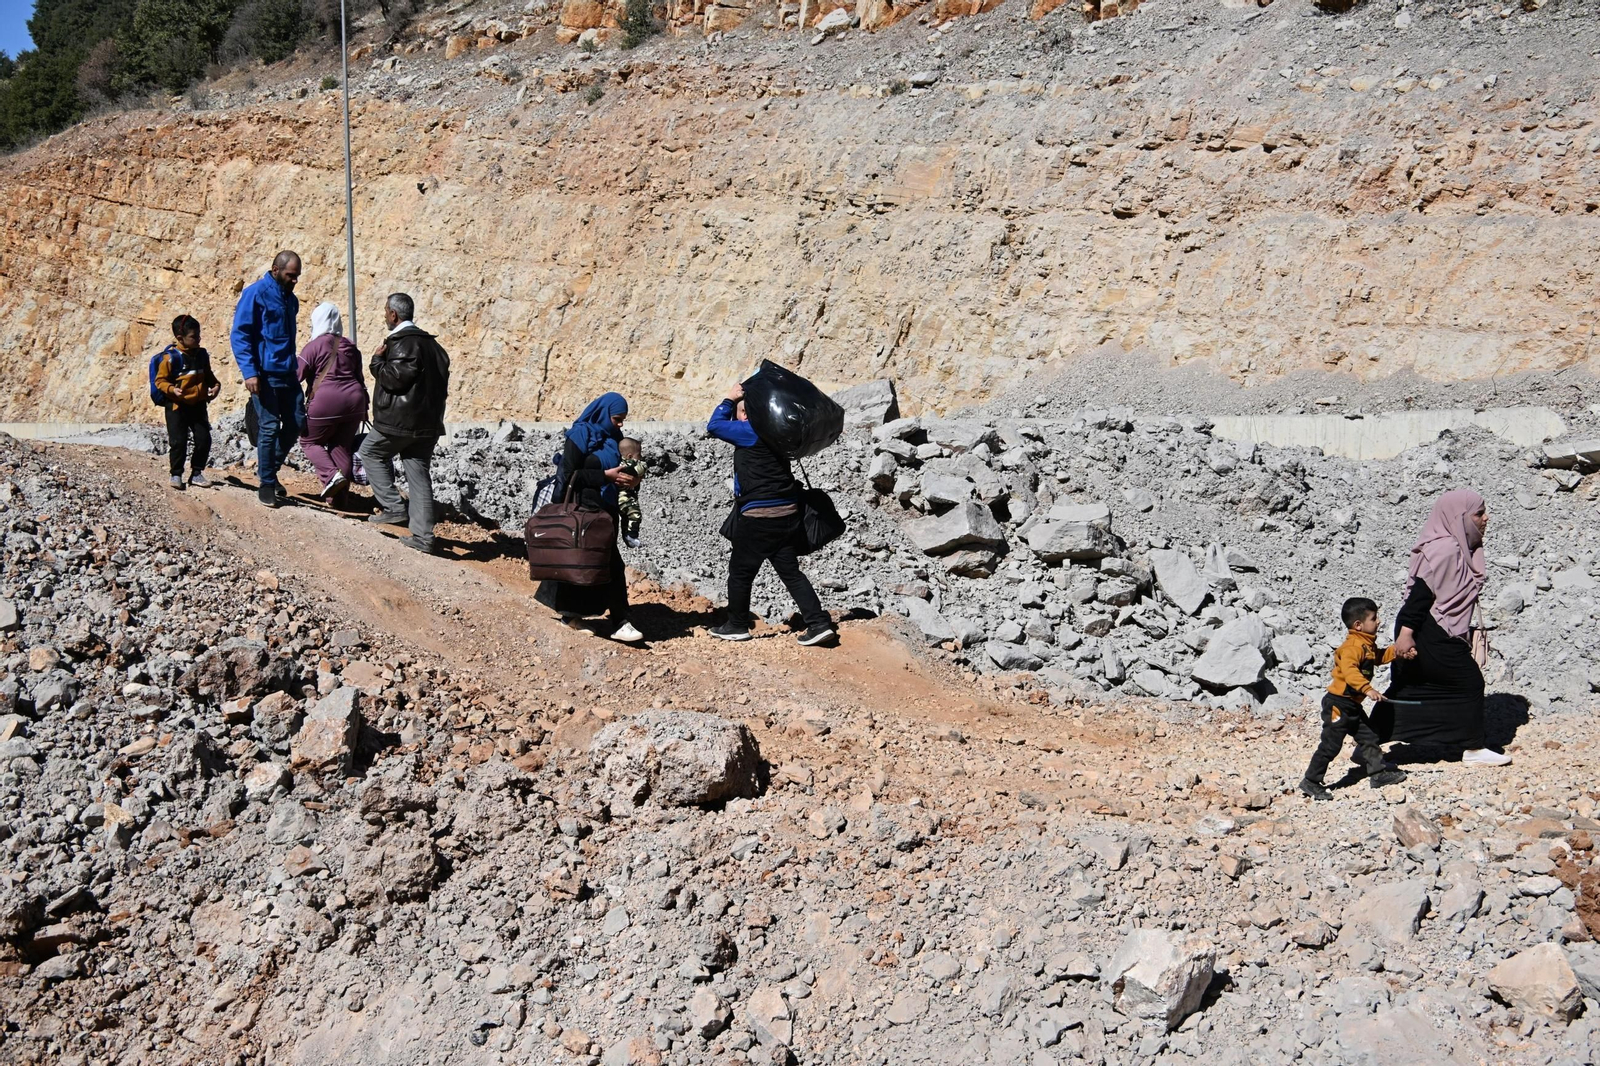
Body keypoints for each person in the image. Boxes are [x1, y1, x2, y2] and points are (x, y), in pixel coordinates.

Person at [1371, 488, 1510, 766]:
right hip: (1427, 627)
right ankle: (1473, 748)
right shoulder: (1445, 549)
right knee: (1469, 681)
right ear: (1459, 517)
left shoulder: (1461, 547)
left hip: (1432, 625)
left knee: (1409, 686)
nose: (1486, 518)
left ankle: (1368, 742)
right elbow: (1419, 596)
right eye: (1479, 513)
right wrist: (1406, 635)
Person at [706, 383, 836, 647]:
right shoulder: (779, 432)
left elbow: (715, 425)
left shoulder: (750, 429)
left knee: (741, 573)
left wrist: (730, 398)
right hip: (788, 515)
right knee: (791, 573)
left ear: (744, 415)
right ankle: (819, 624)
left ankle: (737, 625)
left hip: (760, 518)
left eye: (739, 413)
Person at [542, 393, 643, 643]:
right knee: (585, 561)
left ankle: (611, 618)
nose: (620, 425)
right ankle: (613, 619)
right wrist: (604, 476)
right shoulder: (580, 434)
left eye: (623, 420)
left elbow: (625, 470)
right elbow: (570, 474)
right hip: (581, 509)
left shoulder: (615, 439)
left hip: (605, 510)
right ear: (603, 412)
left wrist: (632, 479)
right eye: (617, 419)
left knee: (600, 562)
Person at [360, 293, 450, 556]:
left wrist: (377, 362)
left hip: (398, 421)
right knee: (418, 473)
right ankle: (423, 536)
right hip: (428, 424)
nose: (384, 316)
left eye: (386, 311)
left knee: (370, 452)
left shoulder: (402, 343)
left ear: (393, 315)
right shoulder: (434, 346)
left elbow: (395, 379)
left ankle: (393, 507)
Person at [1298, 597, 1409, 800]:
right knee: (1330, 745)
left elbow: (1379, 657)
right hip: (1338, 705)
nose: (1379, 622)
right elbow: (1350, 672)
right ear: (1359, 624)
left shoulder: (1366, 645)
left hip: (1352, 706)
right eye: (1374, 618)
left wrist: (1399, 651)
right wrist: (1368, 689)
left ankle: (1378, 774)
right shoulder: (1352, 647)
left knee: (1369, 738)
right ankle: (1311, 781)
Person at [231, 250, 303, 508]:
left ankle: (267, 469)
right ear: (275, 269)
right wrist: (249, 372)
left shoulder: (290, 300)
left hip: (287, 373)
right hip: (264, 375)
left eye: (297, 277)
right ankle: (267, 485)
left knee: (296, 422)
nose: (294, 280)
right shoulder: (256, 294)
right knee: (270, 427)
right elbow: (240, 335)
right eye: (290, 275)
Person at [296, 302, 369, 507]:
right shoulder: (350, 346)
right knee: (341, 447)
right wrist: (366, 408)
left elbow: (297, 375)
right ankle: (338, 500)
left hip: (326, 402)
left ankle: (330, 476)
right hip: (355, 403)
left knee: (309, 441)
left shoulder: (314, 346)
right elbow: (360, 378)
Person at [152, 314, 221, 491]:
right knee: (178, 441)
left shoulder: (202, 355)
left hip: (198, 405)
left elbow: (208, 375)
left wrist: (215, 385)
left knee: (204, 439)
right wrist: (172, 389)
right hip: (177, 406)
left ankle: (196, 472)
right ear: (180, 338)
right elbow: (160, 381)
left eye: (198, 335)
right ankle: (176, 474)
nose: (198, 339)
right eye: (194, 336)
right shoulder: (170, 359)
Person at [616, 437, 646, 548]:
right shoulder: (630, 465)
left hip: (620, 499)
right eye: (639, 455)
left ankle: (627, 536)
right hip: (626, 498)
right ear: (629, 456)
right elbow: (639, 469)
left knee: (625, 518)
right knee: (635, 515)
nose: (641, 457)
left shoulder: (618, 465)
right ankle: (632, 536)